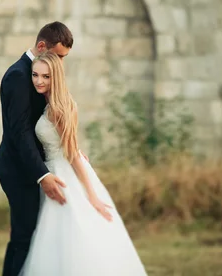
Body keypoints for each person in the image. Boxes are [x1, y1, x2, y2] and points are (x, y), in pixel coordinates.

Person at [19, 51, 148, 276]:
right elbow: (70, 145)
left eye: (46, 76)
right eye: (35, 75)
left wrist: (92, 196)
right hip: (55, 169)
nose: (39, 81)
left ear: (56, 77)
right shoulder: (51, 103)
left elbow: (71, 154)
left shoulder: (58, 109)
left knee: (68, 234)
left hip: (63, 173)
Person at [0, 22, 75, 276]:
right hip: (20, 171)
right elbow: (20, 132)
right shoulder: (19, 75)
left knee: (30, 238)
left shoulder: (39, 72)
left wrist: (69, 152)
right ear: (42, 47)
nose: (61, 63)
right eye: (59, 56)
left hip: (36, 168)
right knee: (24, 240)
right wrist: (42, 175)